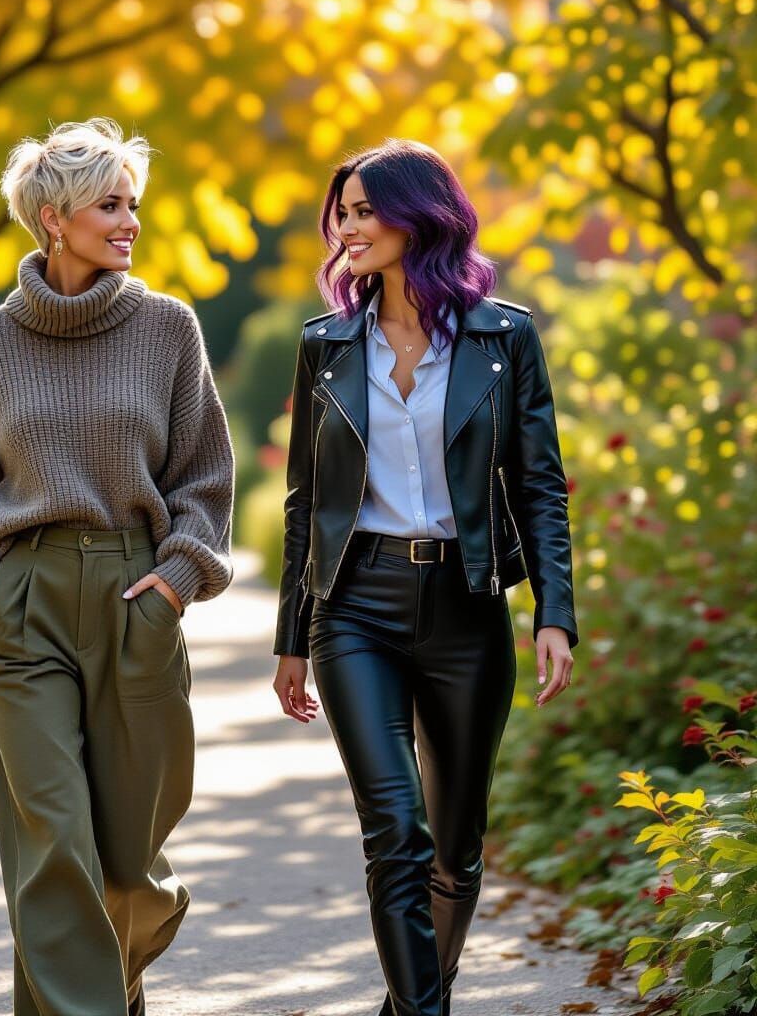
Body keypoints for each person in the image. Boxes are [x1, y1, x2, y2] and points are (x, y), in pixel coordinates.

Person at [0, 117, 234, 1016]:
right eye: (111, 204)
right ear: (54, 218)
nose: (131, 220)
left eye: (133, 203)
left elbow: (206, 476)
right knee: (55, 846)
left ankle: (108, 988)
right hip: (25, 605)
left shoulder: (169, 328)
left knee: (131, 874)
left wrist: (177, 580)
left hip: (138, 598)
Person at [272, 139, 577, 1016]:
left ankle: (408, 1002)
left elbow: (540, 485)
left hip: (467, 607)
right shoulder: (325, 345)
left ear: (420, 216)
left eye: (368, 209)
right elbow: (306, 500)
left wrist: (553, 610)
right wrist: (293, 636)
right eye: (346, 211)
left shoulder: (503, 338)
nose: (349, 226)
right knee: (395, 834)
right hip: (354, 606)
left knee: (455, 849)